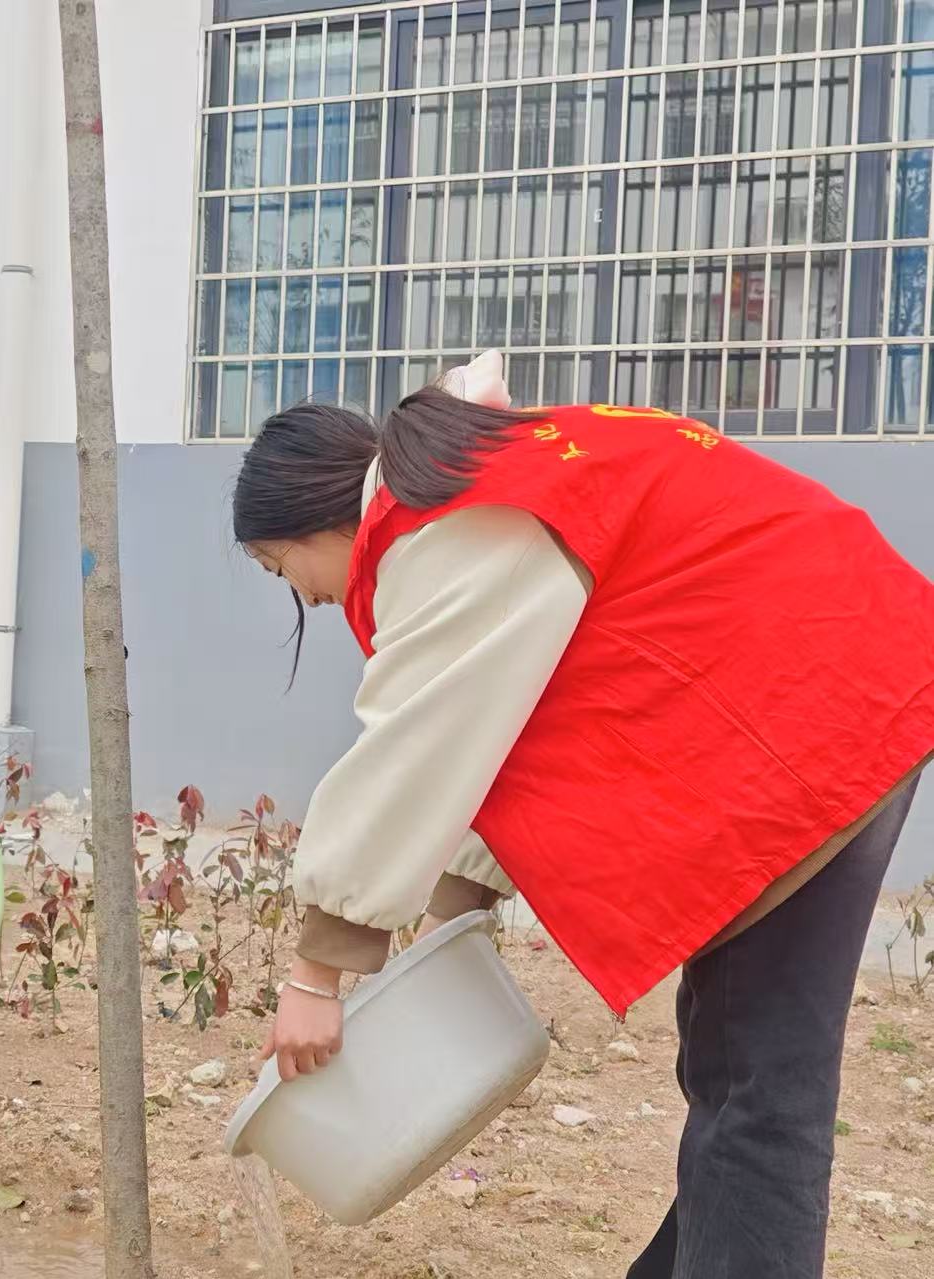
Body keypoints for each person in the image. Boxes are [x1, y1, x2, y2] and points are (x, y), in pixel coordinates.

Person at [233, 352, 934, 1279]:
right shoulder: (483, 476)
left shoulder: (448, 520)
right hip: (828, 689)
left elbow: (419, 739)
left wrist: (317, 971)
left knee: (761, 1092)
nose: (303, 594)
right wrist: (452, 913)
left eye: (280, 566)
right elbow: (503, 726)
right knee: (733, 1065)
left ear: (315, 516)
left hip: (816, 718)